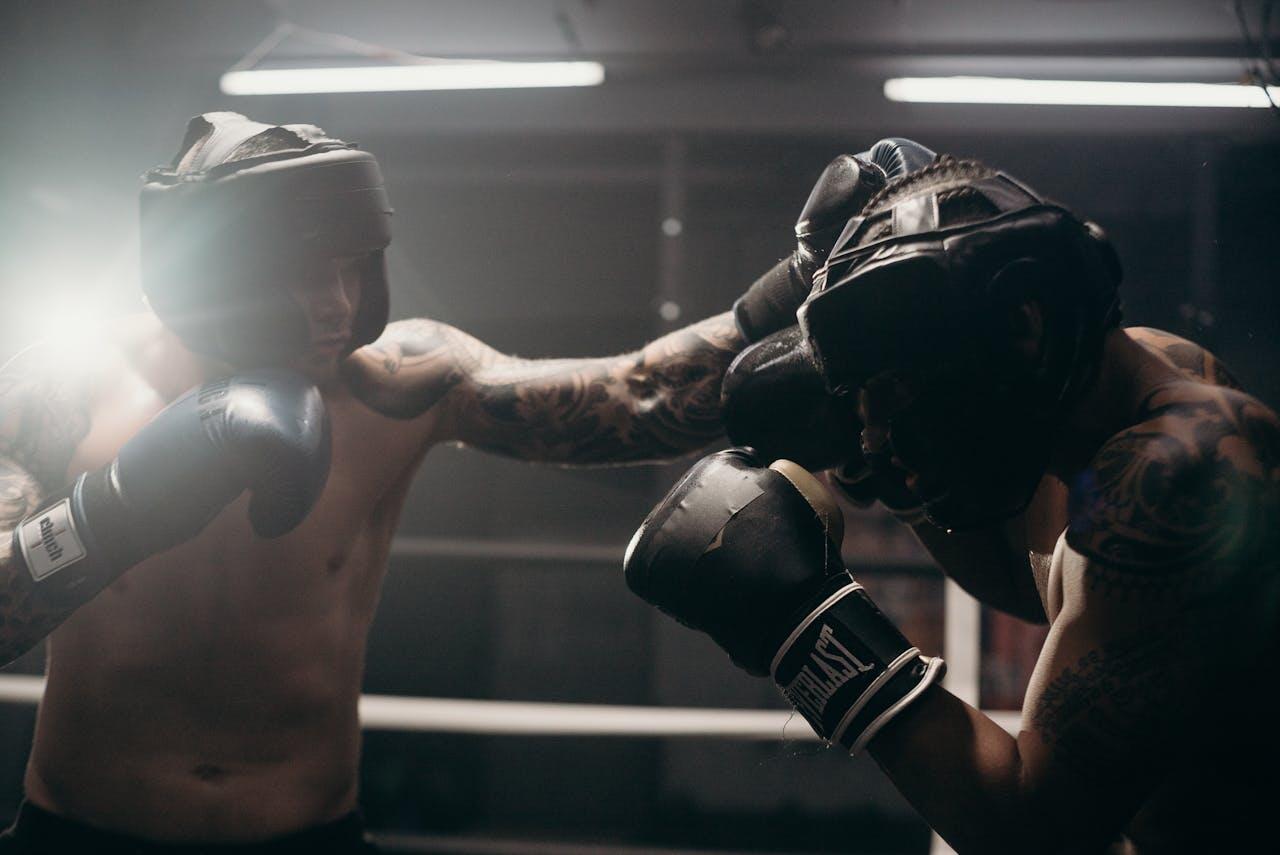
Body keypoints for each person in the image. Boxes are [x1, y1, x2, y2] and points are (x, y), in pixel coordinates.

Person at [0, 111, 931, 852]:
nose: (335, 304)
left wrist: (800, 287)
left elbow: (635, 395)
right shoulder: (63, 387)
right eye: (298, 272)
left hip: (304, 835)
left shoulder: (398, 383)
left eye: (350, 268)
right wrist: (111, 513)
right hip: (78, 833)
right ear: (206, 267)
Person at [625, 155, 1280, 853]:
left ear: (1022, 326)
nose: (875, 438)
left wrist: (807, 627)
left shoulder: (1179, 472)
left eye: (897, 391)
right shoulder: (1110, 403)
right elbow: (1034, 587)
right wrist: (888, 471)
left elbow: (1036, 835)